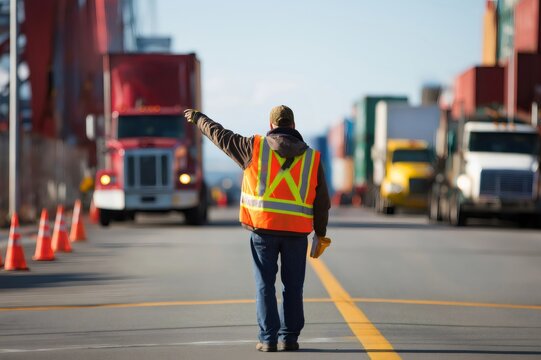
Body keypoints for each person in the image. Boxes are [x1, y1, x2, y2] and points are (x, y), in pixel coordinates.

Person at [184, 105, 330, 352]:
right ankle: (289, 339)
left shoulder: (253, 147)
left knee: (265, 284)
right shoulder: (312, 158)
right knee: (293, 287)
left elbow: (219, 135)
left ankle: (268, 339)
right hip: (296, 234)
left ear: (271, 125)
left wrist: (198, 119)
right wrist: (321, 233)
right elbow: (322, 201)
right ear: (293, 126)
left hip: (263, 231)